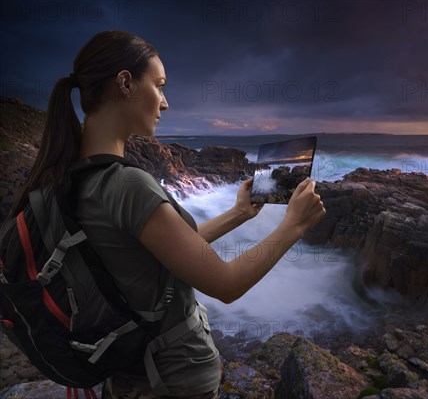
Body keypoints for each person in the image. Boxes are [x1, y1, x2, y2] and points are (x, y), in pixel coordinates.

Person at [9, 30, 326, 398]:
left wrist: (237, 214)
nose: (165, 102)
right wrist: (294, 226)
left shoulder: (69, 177)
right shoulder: (127, 184)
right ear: (125, 83)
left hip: (131, 374)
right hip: (172, 381)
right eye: (159, 86)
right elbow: (226, 284)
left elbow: (162, 254)